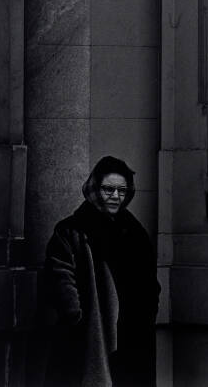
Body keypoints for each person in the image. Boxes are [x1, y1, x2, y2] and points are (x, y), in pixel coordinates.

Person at [44, 156, 160, 387]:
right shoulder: (70, 231)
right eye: (108, 189)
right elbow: (60, 279)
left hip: (132, 339)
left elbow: (150, 284)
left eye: (122, 191)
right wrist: (77, 319)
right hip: (91, 340)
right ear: (94, 189)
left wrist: (147, 315)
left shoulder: (134, 232)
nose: (116, 196)